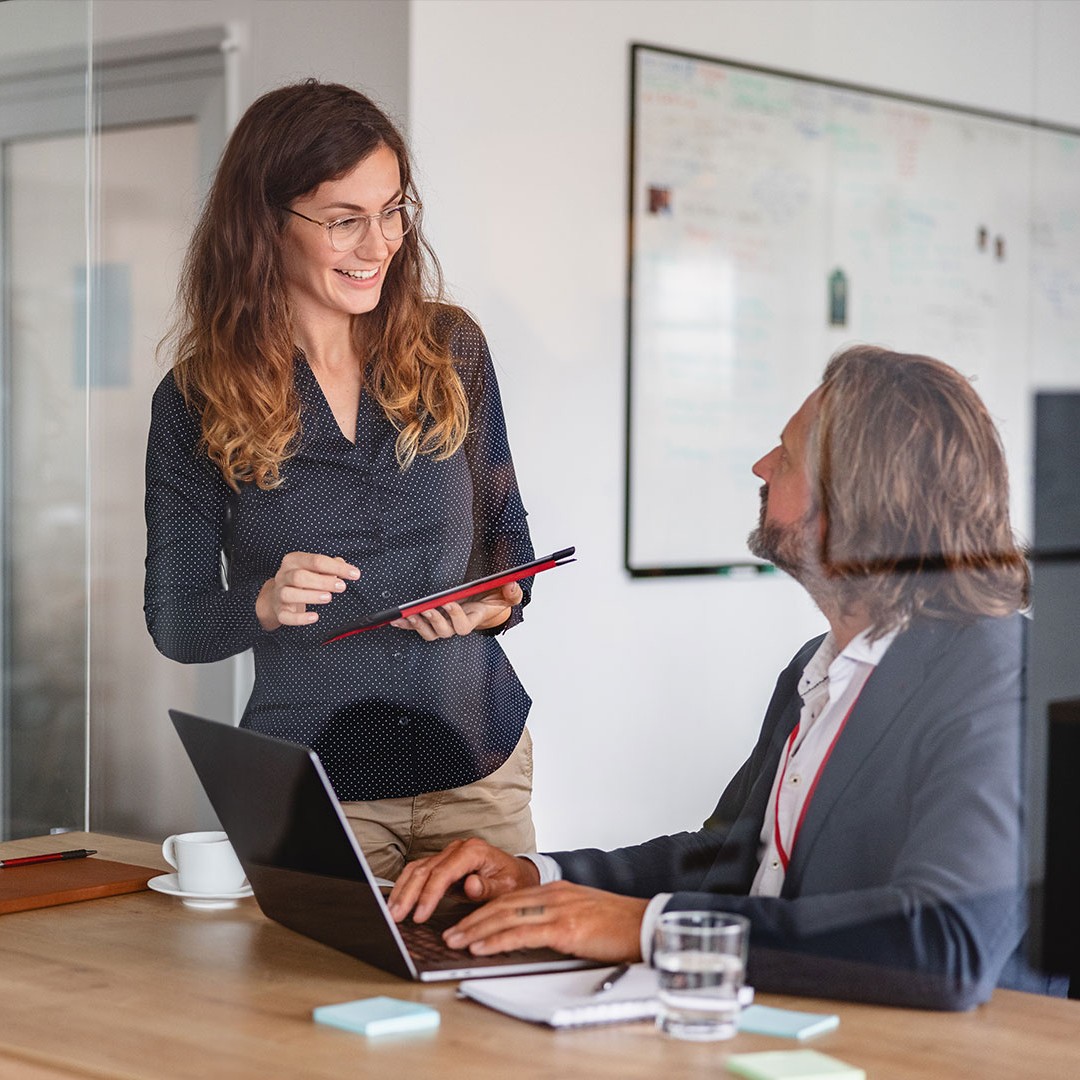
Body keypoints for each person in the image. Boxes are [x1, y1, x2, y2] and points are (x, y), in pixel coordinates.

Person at [389, 345, 1057, 1010]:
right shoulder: (817, 665)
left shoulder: (1004, 678)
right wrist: (537, 876)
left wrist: (650, 930)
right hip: (783, 1030)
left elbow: (946, 945)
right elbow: (730, 857)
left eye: (787, 457)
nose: (762, 467)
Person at [145, 81, 537, 881]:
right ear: (266, 223)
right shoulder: (195, 400)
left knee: (495, 994)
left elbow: (508, 544)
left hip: (480, 770)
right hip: (317, 785)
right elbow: (176, 622)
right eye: (344, 220)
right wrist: (261, 602)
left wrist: (496, 601)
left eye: (393, 210)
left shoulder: (451, 349)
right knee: (315, 1002)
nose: (380, 243)